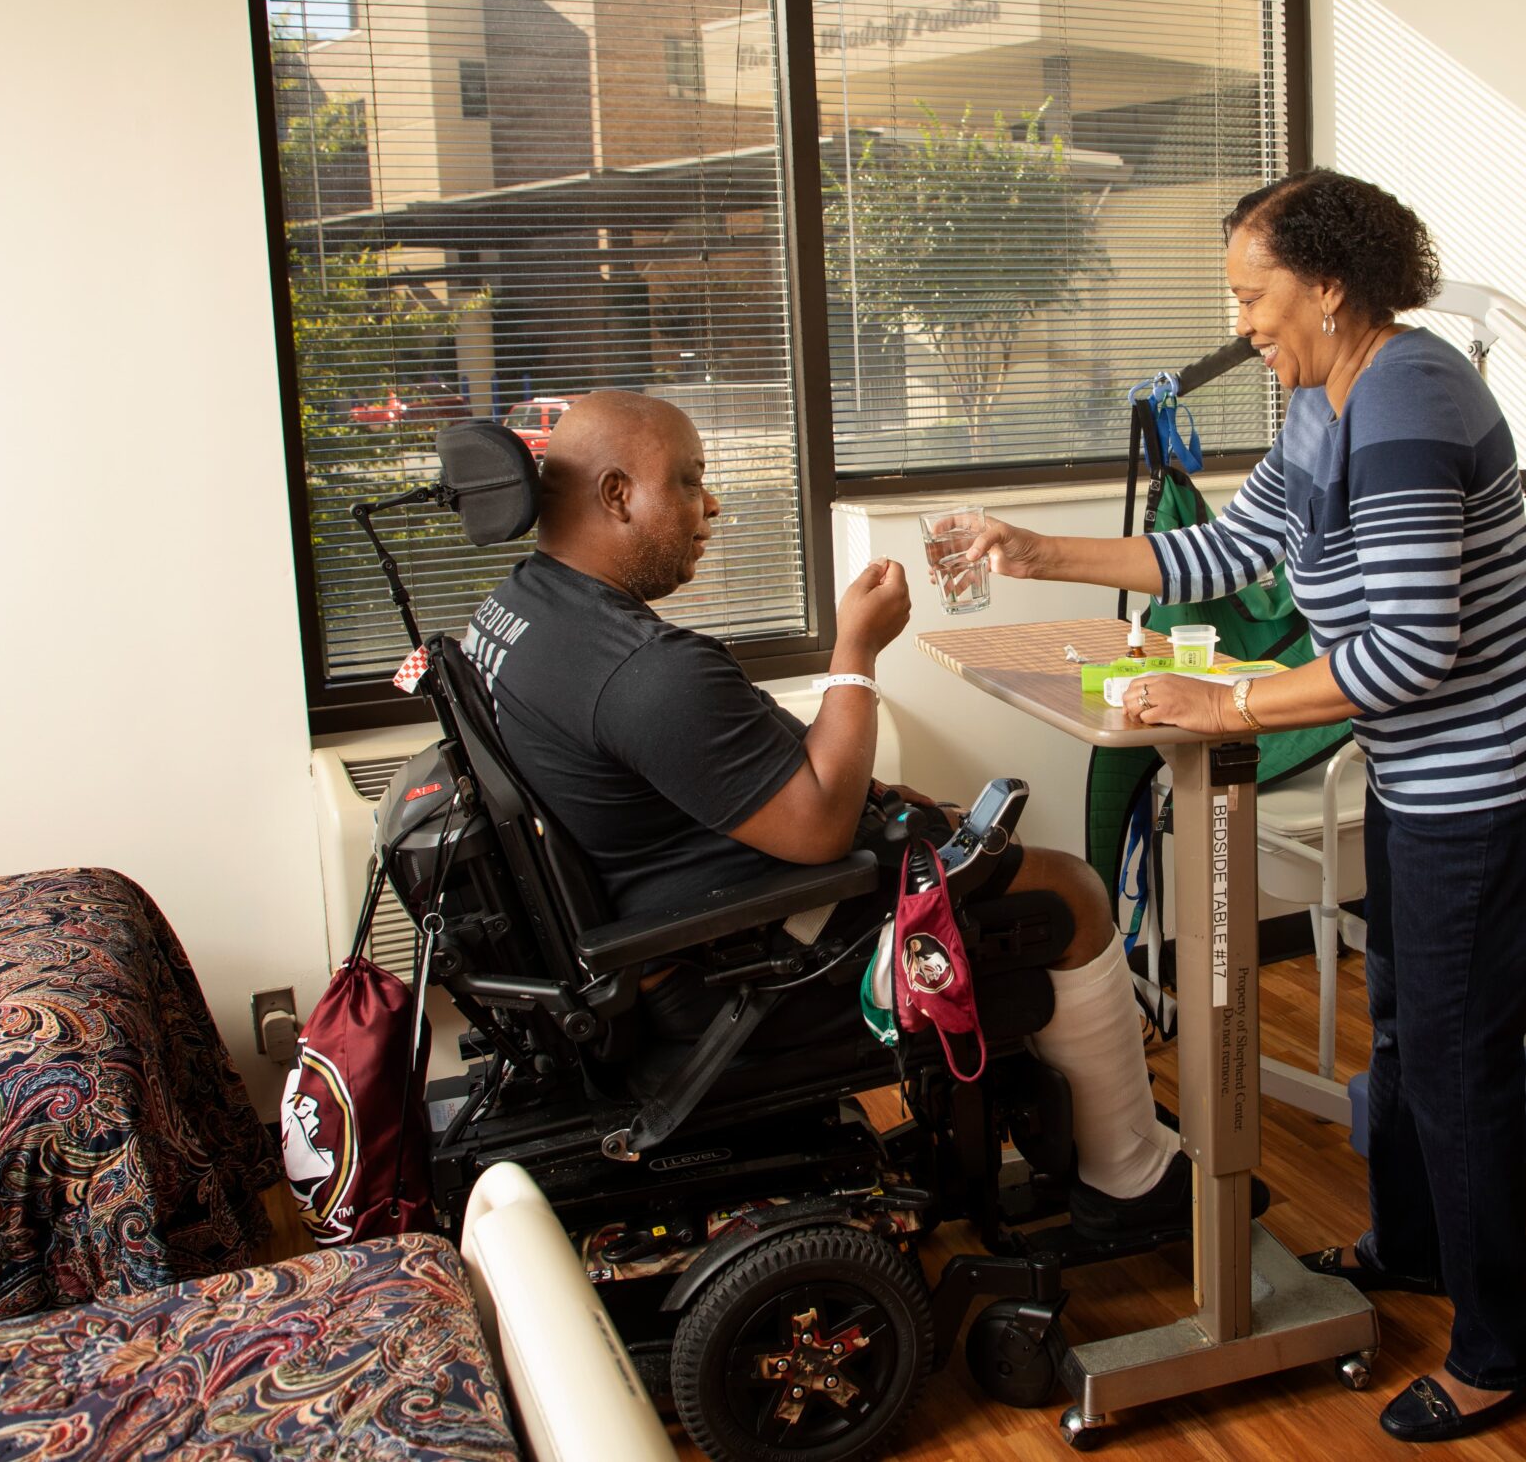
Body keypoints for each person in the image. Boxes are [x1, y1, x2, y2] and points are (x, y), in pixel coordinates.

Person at [951, 170, 1526, 1443]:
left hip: (1500, 768)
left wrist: (1228, 711)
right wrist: (1041, 550)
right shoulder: (1321, 397)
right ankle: (1414, 1250)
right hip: (1435, 765)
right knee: (1411, 1022)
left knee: (1460, 1057)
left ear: (1327, 284)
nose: (1243, 323)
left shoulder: (1413, 399)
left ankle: (1501, 1348)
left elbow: (1411, 649)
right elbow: (1227, 550)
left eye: (1255, 296)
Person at [459, 390, 1191, 1244]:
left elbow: (731, 761)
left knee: (974, 848)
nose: (712, 505)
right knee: (1066, 890)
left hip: (663, 929)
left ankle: (1075, 1129)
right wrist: (856, 649)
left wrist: (885, 799)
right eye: (690, 481)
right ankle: (1132, 1186)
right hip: (738, 972)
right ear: (617, 495)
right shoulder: (640, 669)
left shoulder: (522, 610)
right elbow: (814, 830)